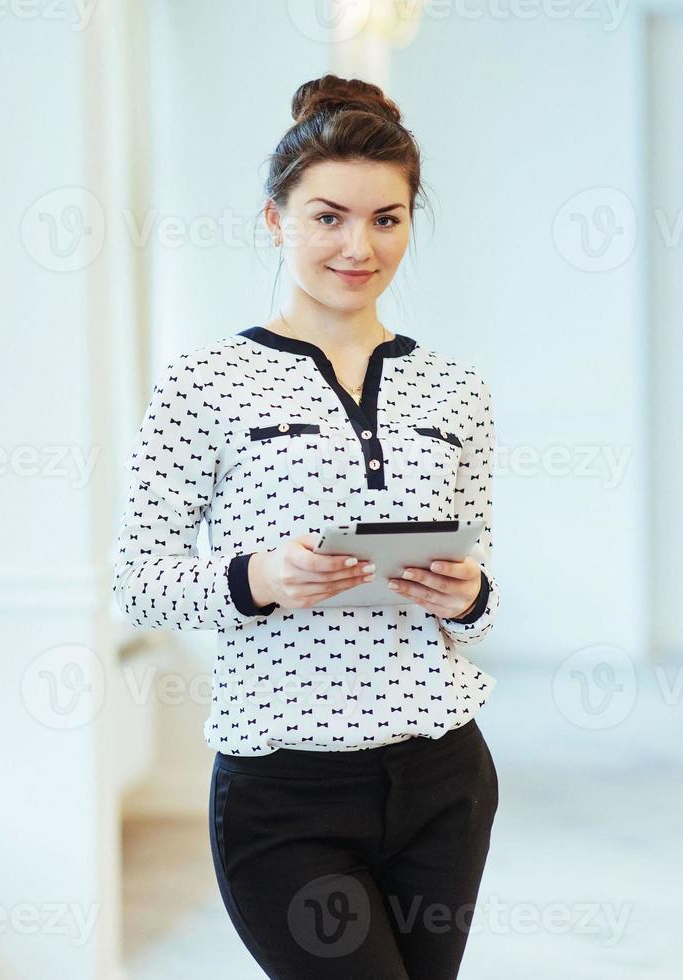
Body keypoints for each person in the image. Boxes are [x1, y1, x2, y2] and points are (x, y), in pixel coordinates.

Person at [111, 74, 502, 979]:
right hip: (282, 786)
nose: (357, 246)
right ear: (274, 220)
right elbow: (137, 578)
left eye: (385, 219)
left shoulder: (456, 390)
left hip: (444, 774)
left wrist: (469, 593)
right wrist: (261, 577)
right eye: (327, 216)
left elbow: (483, 589)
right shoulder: (202, 384)